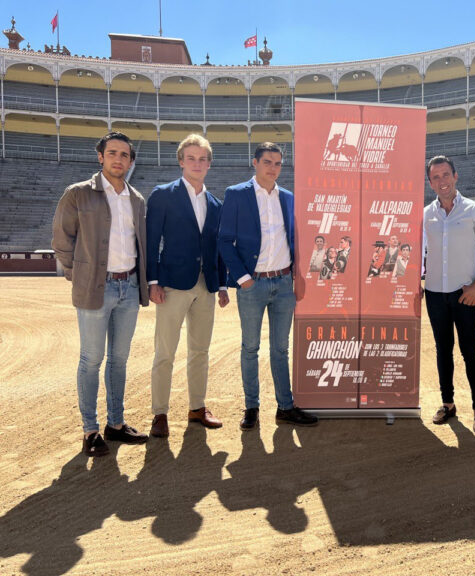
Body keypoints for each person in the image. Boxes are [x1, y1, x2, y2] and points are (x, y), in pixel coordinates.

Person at [52, 131, 149, 457]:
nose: (118, 159)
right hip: (96, 285)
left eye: (124, 154)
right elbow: (62, 237)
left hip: (129, 286)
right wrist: (73, 271)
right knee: (91, 359)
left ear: (131, 161)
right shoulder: (78, 194)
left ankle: (116, 424)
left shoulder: (136, 199)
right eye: (112, 153)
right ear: (101, 157)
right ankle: (90, 430)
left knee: (119, 360)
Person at [218, 142, 318, 429]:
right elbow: (224, 240)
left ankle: (285, 406)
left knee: (281, 349)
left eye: (277, 163)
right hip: (253, 284)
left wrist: (298, 276)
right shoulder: (236, 194)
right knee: (250, 347)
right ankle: (252, 407)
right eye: (267, 162)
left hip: (284, 283)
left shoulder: (288, 197)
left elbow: (296, 238)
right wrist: (242, 279)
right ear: (255, 163)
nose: (273, 168)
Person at [145, 134, 230, 438]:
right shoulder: (162, 195)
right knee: (165, 351)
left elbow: (218, 248)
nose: (198, 164)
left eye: (203, 158)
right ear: (181, 161)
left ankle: (197, 407)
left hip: (206, 286)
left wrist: (221, 286)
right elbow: (152, 241)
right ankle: (160, 413)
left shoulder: (216, 204)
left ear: (209, 163)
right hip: (173, 285)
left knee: (200, 350)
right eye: (191, 158)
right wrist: (153, 281)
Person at [423, 155, 475, 433]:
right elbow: (416, 253)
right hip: (433, 293)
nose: (442, 181)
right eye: (436, 177)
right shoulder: (425, 213)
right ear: (430, 182)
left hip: (465, 293)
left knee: (470, 351)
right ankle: (448, 403)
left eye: (446, 175)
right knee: (443, 351)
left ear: (456, 176)